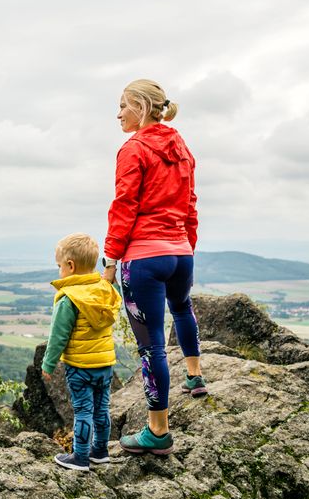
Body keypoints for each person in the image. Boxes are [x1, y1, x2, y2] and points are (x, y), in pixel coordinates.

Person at [101, 79, 207, 456]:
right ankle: (195, 376)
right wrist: (186, 246)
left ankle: (157, 432)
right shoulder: (182, 148)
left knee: (152, 348)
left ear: (142, 108)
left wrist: (110, 259)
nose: (118, 114)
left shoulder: (133, 149)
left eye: (123, 106)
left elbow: (124, 206)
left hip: (144, 259)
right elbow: (191, 203)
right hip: (180, 253)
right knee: (183, 309)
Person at [41, 233, 122, 471]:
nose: (59, 271)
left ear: (70, 266)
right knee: (102, 408)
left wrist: (48, 364)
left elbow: (58, 336)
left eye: (59, 267)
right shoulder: (104, 290)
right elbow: (111, 285)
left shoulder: (69, 299)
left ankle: (80, 457)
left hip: (80, 367)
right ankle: (100, 451)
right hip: (105, 364)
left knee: (83, 410)